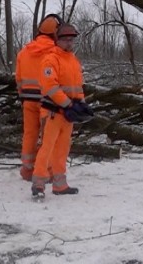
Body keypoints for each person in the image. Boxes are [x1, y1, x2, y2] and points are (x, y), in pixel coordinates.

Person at [31, 22, 93, 198]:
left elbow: (78, 86)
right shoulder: (50, 59)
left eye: (71, 40)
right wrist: (68, 104)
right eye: (65, 39)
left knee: (62, 150)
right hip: (53, 112)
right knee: (47, 148)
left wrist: (81, 104)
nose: (69, 43)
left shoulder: (73, 60)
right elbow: (50, 87)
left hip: (68, 114)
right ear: (58, 40)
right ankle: (39, 185)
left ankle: (60, 185)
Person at [14, 13, 61, 182]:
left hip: (28, 100)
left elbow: (18, 79)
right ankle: (46, 170)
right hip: (47, 102)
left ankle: (27, 169)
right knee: (47, 137)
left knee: (29, 134)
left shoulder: (24, 52)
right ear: (55, 33)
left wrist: (23, 96)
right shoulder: (55, 53)